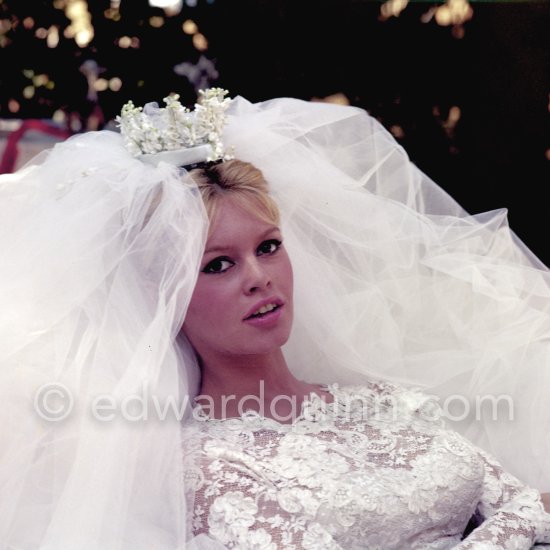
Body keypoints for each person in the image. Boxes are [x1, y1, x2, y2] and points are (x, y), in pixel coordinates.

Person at [1, 89, 549, 549]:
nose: (259, 277)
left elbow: (523, 500)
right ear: (166, 297)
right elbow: (531, 512)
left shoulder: (383, 399)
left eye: (267, 247)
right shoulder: (204, 470)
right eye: (218, 264)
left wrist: (524, 516)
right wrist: (521, 523)